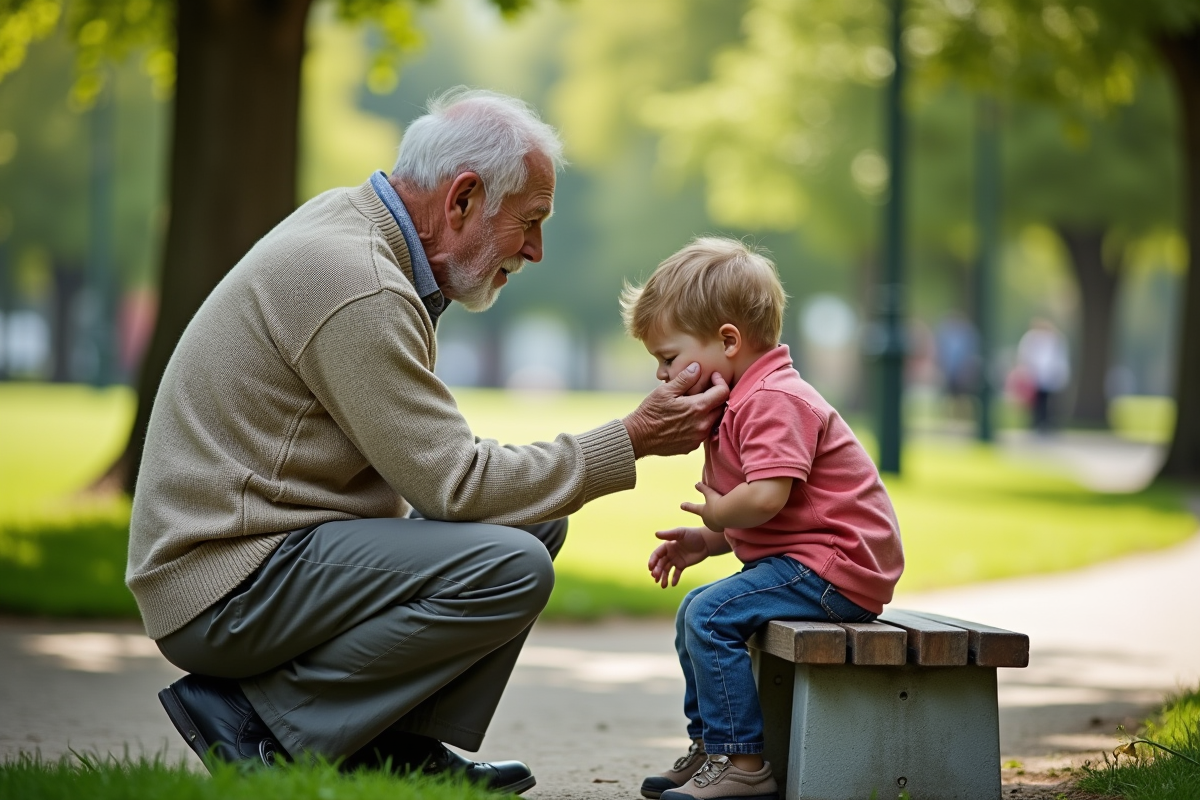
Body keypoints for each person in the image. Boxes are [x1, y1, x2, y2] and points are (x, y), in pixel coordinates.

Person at [127, 88, 728, 791]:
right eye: (530, 221)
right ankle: (257, 721)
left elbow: (448, 478)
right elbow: (456, 485)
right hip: (227, 585)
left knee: (533, 524)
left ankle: (389, 748)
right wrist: (631, 438)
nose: (536, 249)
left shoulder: (358, 234)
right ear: (463, 199)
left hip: (261, 554)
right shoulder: (361, 283)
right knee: (511, 566)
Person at [620, 238, 904, 800]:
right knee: (693, 614)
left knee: (709, 613)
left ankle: (744, 766)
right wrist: (706, 539)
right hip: (806, 560)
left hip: (835, 566)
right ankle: (712, 749)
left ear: (728, 340)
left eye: (670, 358)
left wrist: (721, 511)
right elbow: (773, 518)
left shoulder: (774, 397)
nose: (661, 374)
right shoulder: (740, 400)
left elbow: (769, 497)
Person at [1016, 318, 1070, 434]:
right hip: (1036, 375)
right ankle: (1036, 423)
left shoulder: (1055, 339)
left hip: (1050, 376)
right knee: (1036, 401)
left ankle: (1047, 423)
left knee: (1049, 401)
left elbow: (1059, 358)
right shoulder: (1031, 338)